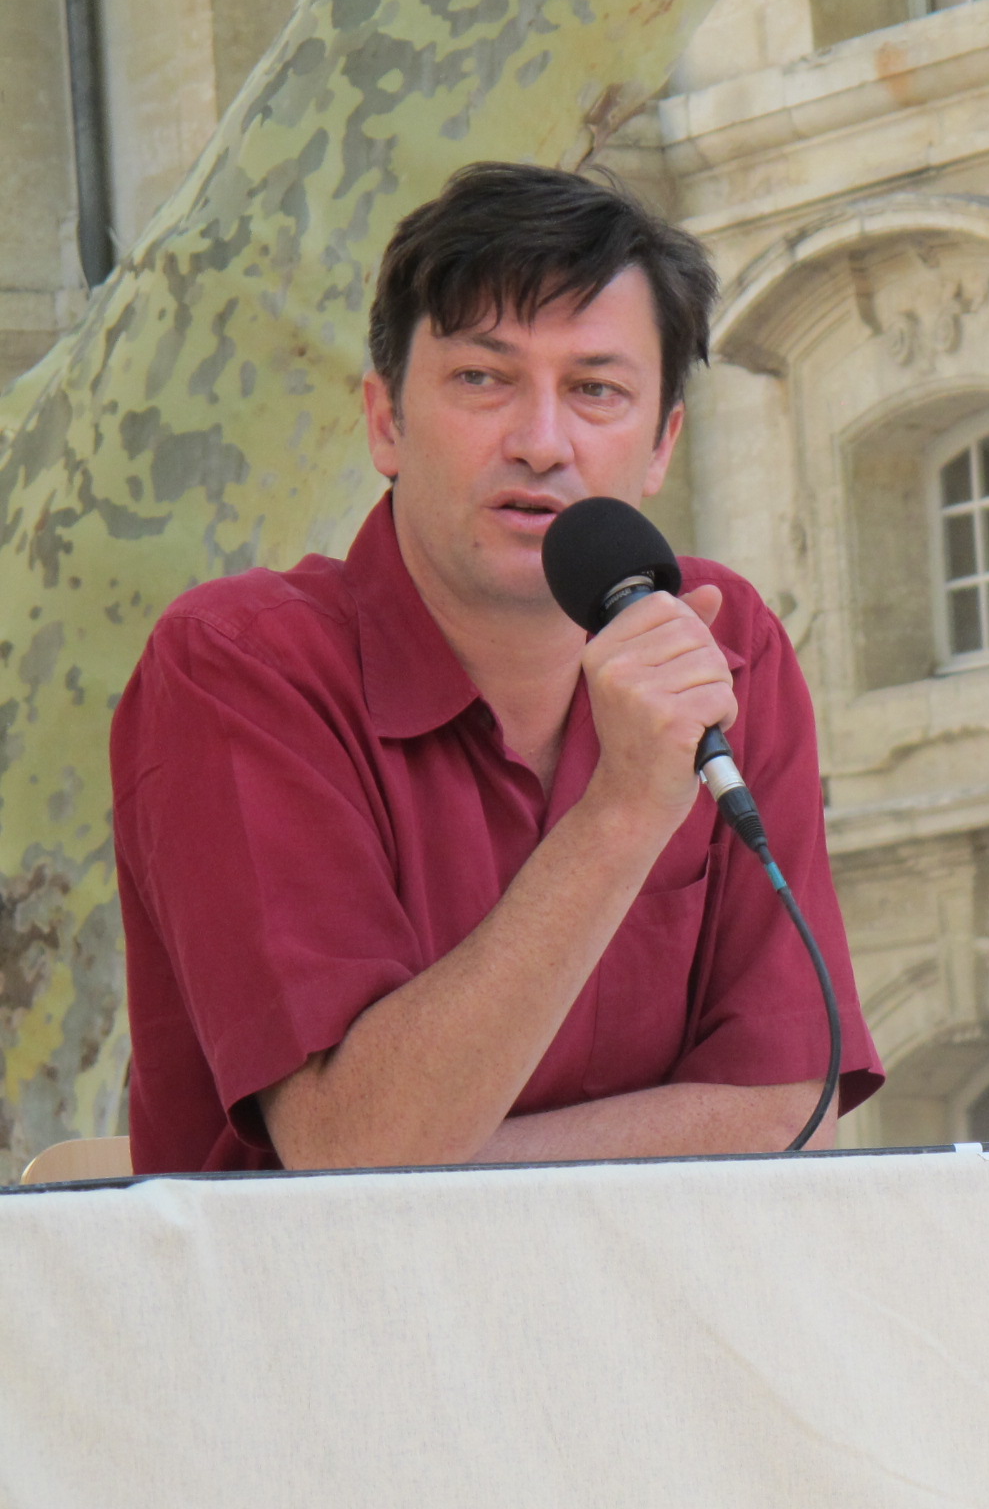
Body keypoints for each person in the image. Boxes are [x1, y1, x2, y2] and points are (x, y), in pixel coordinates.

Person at [115, 162, 882, 1173]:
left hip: (656, 1277)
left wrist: (458, 1161)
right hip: (327, 1283)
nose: (541, 442)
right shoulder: (241, 666)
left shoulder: (720, 640)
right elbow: (352, 1148)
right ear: (386, 421)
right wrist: (622, 813)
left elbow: (789, 1112)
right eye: (483, 379)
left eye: (596, 390)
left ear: (662, 445)